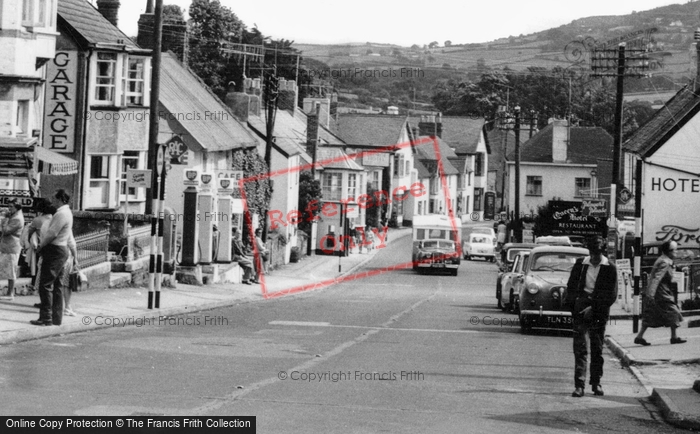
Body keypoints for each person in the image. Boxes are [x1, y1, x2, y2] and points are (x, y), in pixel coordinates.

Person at [564, 235, 618, 398]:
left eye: (598, 253)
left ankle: (596, 383)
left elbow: (611, 295)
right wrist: (575, 305)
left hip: (599, 310)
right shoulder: (581, 265)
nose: (595, 257)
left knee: (597, 347)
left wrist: (593, 308)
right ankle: (579, 385)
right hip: (581, 307)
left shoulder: (609, 267)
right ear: (590, 252)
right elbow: (571, 286)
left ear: (602, 252)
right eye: (593, 253)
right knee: (580, 348)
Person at [32, 189, 77, 326]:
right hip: (61, 250)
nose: (53, 202)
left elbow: (52, 233)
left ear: (61, 199)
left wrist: (41, 245)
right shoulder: (67, 213)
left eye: (55, 199)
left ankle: (46, 317)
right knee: (57, 285)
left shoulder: (61, 214)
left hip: (55, 249)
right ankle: (56, 318)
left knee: (45, 285)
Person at [634, 240, 686, 346]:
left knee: (651, 314)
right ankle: (674, 337)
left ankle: (639, 337)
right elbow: (657, 278)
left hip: (660, 291)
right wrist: (651, 293)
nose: (676, 252)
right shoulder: (665, 262)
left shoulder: (664, 260)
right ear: (669, 251)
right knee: (673, 311)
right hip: (661, 292)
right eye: (674, 250)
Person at [0, 200, 25, 300]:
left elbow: (6, 231)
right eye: (9, 206)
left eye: (11, 207)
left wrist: (5, 219)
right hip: (7, 246)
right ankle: (9, 293)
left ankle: (10, 293)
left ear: (17, 207)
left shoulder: (17, 219)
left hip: (12, 247)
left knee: (11, 270)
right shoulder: (13, 216)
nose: (9, 209)